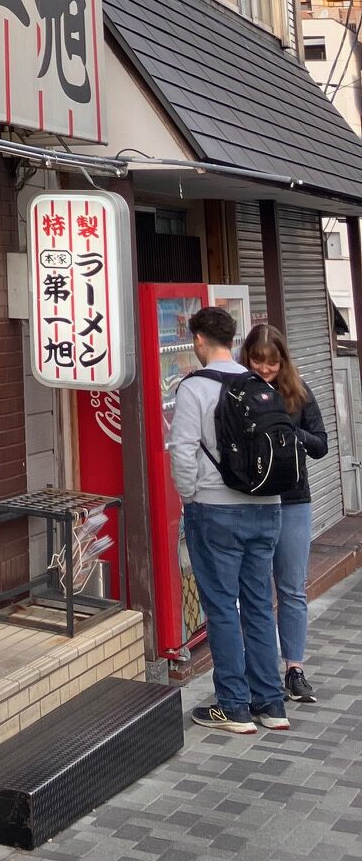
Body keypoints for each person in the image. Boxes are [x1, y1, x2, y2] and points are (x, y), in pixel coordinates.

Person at [169, 305, 286, 734]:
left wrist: (191, 496)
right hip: (266, 508)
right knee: (259, 605)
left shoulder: (194, 387)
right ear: (233, 340)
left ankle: (234, 707)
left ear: (199, 339)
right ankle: (271, 704)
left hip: (215, 510)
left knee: (221, 607)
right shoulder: (258, 383)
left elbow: (183, 452)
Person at [241, 322, 328, 705]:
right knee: (257, 590)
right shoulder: (239, 392)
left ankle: (295, 669)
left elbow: (322, 444)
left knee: (291, 588)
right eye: (257, 361)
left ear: (283, 362)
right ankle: (262, 672)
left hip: (294, 500)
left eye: (272, 363)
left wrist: (292, 435)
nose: (264, 369)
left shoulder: (298, 392)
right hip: (252, 502)